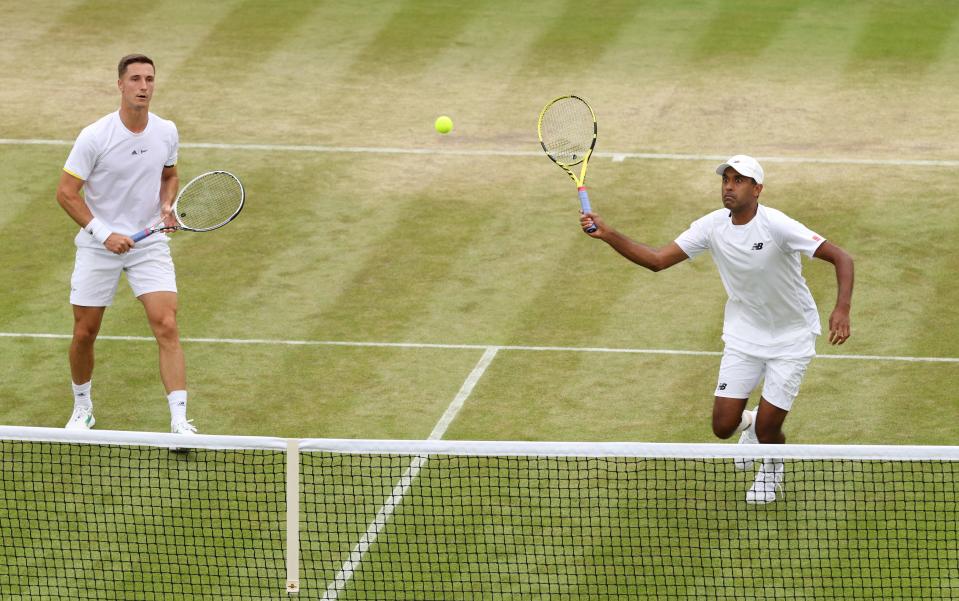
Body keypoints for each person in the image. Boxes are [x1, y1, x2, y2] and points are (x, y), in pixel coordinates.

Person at [580, 155, 853, 504]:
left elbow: (842, 257)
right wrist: (608, 234)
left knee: (771, 428)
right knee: (723, 426)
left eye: (739, 180)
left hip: (791, 337)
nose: (729, 186)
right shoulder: (711, 226)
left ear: (757, 189)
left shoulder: (777, 225)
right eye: (726, 179)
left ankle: (771, 468)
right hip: (744, 335)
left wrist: (841, 308)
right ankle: (751, 426)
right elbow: (657, 260)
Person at [56, 54, 197, 436]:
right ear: (120, 85)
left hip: (148, 243)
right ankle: (82, 407)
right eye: (135, 79)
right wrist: (104, 234)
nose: (143, 86)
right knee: (85, 331)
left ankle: (180, 421)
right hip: (98, 245)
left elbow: (170, 175)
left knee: (166, 324)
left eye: (149, 79)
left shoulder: (166, 131)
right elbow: (67, 194)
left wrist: (167, 206)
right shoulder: (95, 136)